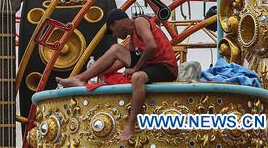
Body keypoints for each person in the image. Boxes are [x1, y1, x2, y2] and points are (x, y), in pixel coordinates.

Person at [55, 9, 178, 143]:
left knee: (137, 77)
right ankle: (80, 78)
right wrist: (98, 73)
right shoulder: (132, 38)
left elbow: (151, 46)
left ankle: (130, 125)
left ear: (117, 23)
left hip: (165, 67)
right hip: (150, 65)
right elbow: (122, 61)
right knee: (116, 49)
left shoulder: (140, 22)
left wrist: (135, 69)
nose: (115, 35)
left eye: (113, 31)